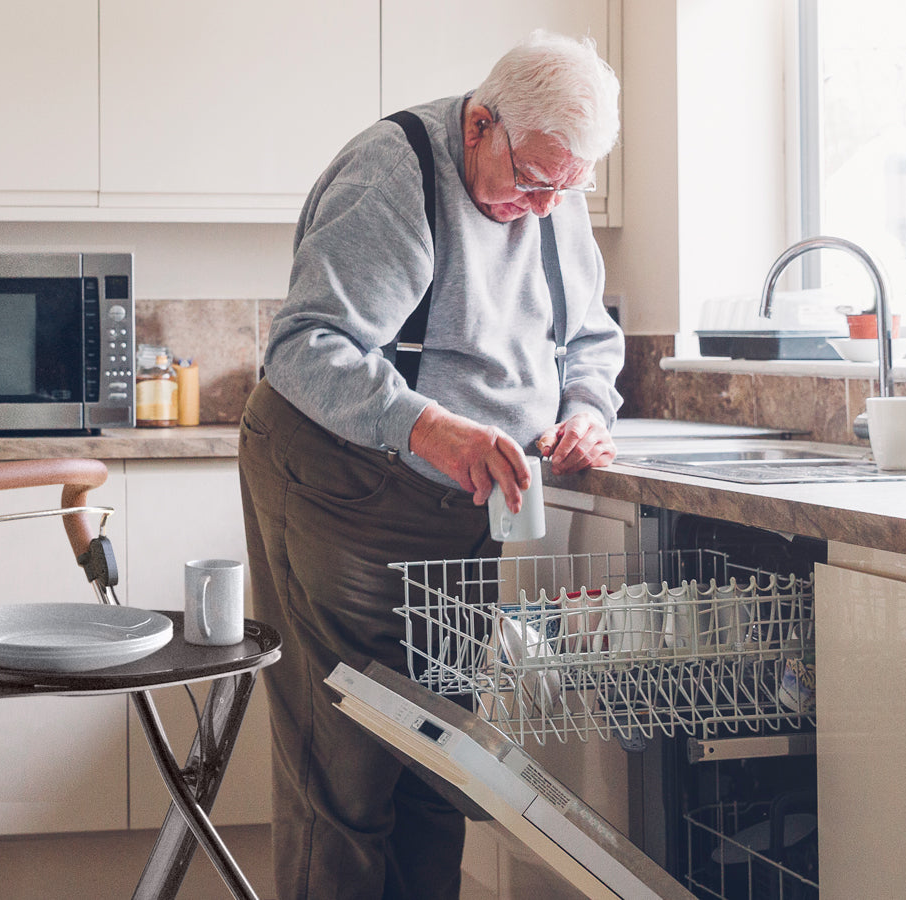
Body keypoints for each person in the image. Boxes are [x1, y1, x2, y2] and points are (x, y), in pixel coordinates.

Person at [237, 29, 624, 900]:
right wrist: (424, 426)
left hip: (460, 503)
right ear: (481, 124)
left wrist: (586, 413)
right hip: (340, 477)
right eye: (531, 182)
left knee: (439, 755)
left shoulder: (553, 186)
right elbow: (305, 348)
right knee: (347, 759)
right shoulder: (397, 174)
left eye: (565, 189)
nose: (542, 205)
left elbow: (590, 340)